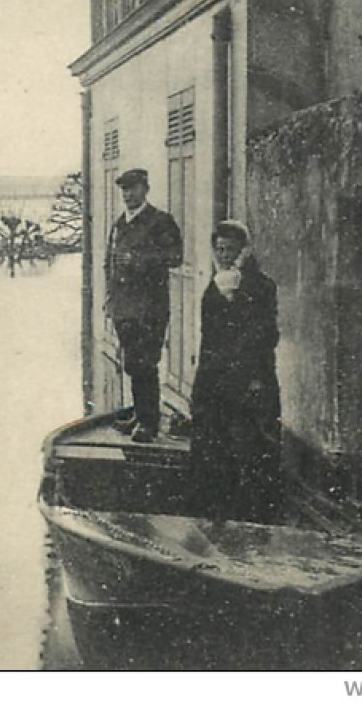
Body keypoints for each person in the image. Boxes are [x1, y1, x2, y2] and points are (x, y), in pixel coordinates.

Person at [189, 220, 283, 522]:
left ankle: (256, 517)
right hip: (215, 380)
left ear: (243, 251)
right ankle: (216, 512)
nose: (224, 255)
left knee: (252, 447)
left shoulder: (261, 286)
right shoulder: (215, 285)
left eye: (230, 249)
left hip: (250, 380)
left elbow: (267, 335)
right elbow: (210, 337)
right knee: (213, 445)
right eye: (219, 249)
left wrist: (255, 377)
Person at [104, 168, 182, 443]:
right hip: (124, 308)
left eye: (133, 189)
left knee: (146, 362)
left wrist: (141, 260)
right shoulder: (119, 224)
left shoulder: (160, 221)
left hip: (150, 307)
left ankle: (149, 423)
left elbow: (175, 256)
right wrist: (110, 298)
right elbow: (109, 263)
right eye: (124, 190)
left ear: (145, 189)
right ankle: (140, 414)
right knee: (132, 363)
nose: (128, 195)